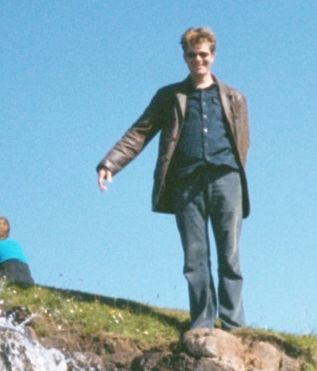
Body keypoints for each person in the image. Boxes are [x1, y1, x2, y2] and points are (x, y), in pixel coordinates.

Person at [96, 26, 251, 331]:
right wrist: (110, 163)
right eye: (192, 55)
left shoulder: (234, 97)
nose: (198, 60)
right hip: (186, 182)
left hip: (225, 178)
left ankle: (234, 324)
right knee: (195, 256)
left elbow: (243, 141)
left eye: (203, 54)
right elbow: (139, 133)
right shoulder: (170, 96)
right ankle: (203, 322)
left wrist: (231, 170)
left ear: (213, 55)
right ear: (184, 57)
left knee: (229, 254)